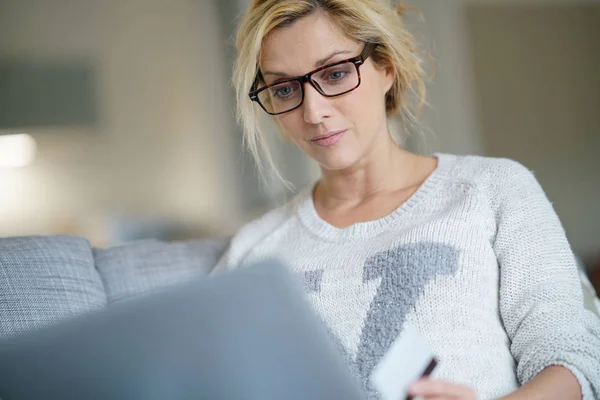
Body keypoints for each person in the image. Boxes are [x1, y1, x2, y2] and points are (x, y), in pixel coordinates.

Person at [216, 0, 600, 399]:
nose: (313, 111)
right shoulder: (252, 251)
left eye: (335, 73)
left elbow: (574, 363)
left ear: (386, 66)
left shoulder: (493, 190)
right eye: (283, 88)